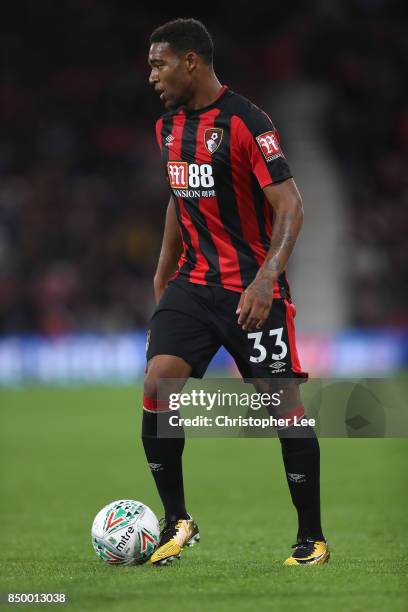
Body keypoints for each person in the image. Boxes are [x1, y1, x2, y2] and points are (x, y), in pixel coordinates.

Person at [143, 17, 329, 567]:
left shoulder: (249, 122)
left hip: (252, 291)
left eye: (159, 64)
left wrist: (266, 278)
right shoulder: (167, 128)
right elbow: (180, 197)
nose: (152, 75)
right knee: (158, 385)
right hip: (193, 285)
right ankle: (177, 521)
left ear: (191, 61)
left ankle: (311, 537)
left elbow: (291, 206)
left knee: (282, 408)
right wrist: (163, 271)